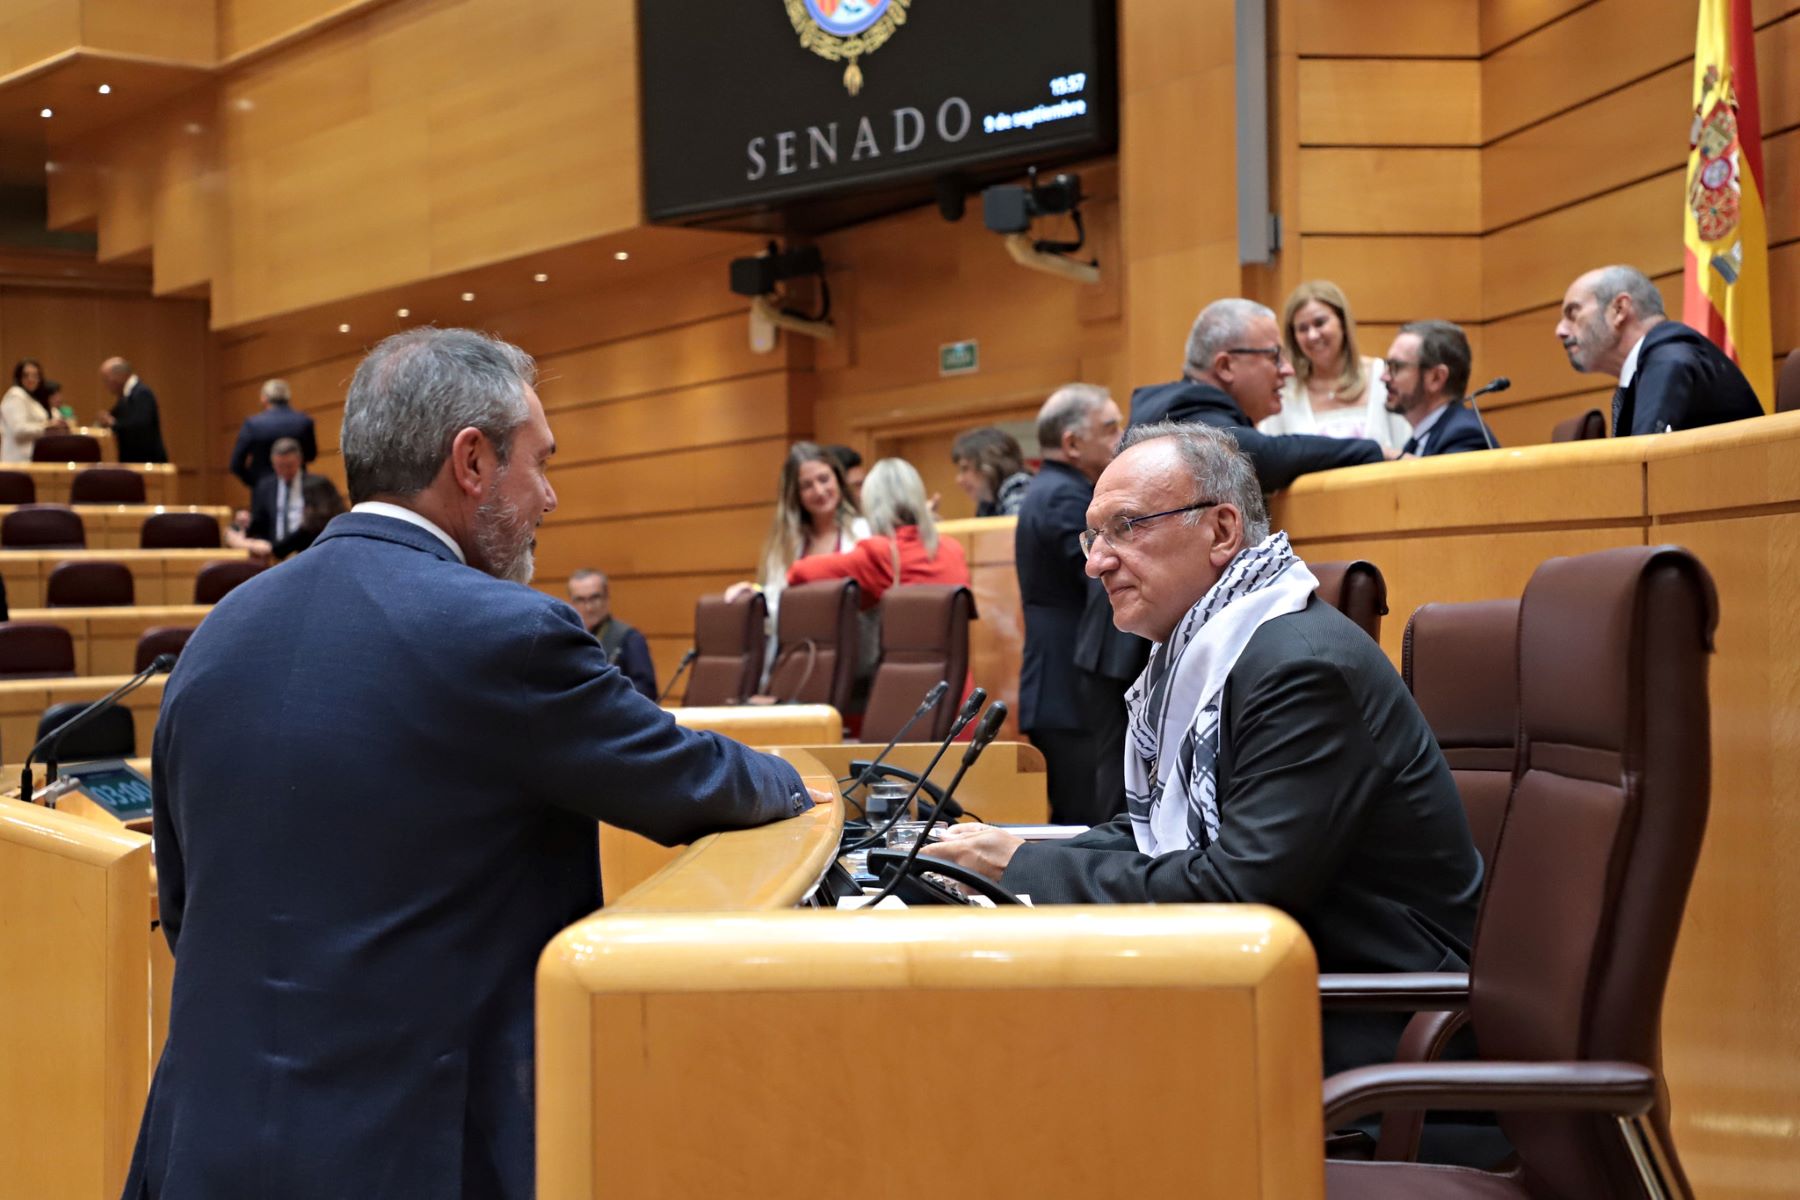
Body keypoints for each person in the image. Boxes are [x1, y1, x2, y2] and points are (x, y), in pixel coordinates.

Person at [124, 328, 819, 1200]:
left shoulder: (217, 634)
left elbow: (187, 911)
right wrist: (807, 783)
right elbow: (688, 779)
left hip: (200, 1151)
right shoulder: (505, 633)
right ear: (472, 461)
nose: (551, 496)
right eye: (540, 461)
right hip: (407, 1156)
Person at [925, 421, 1482, 1076]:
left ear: (1221, 531)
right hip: (1281, 991)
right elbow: (1159, 838)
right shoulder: (1215, 656)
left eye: (1126, 527)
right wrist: (992, 856)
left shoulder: (1298, 668)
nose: (1095, 561)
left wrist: (1020, 866)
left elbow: (1233, 890)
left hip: (1370, 1028)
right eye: (1093, 534)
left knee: (1008, 1050)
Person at [1127, 298, 1387, 492]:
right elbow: (1259, 455)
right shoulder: (1187, 409)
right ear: (1226, 366)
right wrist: (1373, 451)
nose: (1287, 370)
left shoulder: (1172, 405)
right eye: (1274, 357)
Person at [1014, 384, 1126, 826]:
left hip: (1059, 683)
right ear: (1072, 443)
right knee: (1084, 823)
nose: (1121, 437)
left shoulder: (1050, 488)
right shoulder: (1064, 497)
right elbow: (1095, 583)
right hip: (1069, 685)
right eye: (1110, 427)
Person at [1555, 264, 1763, 436]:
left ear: (1619, 310)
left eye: (1573, 313)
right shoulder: (1654, 363)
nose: (1560, 331)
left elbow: (1643, 469)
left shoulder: (1670, 360)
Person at [725, 442, 870, 670]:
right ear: (796, 494)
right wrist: (756, 594)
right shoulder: (785, 545)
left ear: (838, 480)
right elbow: (776, 609)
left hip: (853, 661)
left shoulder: (865, 532)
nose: (819, 491)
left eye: (824, 479)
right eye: (807, 486)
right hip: (799, 661)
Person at [788, 458, 970, 601]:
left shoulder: (880, 554)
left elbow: (799, 572)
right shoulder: (953, 549)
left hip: (897, 648)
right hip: (952, 648)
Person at [1258, 281, 1409, 453]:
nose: (1313, 335)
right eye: (1302, 328)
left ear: (1343, 323)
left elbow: (1407, 449)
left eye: (1320, 323)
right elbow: (1271, 457)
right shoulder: (1285, 391)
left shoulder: (1382, 376)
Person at [1382, 321, 1498, 456]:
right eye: (1387, 365)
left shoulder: (1464, 436)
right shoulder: (1415, 443)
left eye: (1396, 366)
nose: (1384, 377)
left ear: (1436, 378)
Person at [569, 568, 657, 699]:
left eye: (595, 598)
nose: (589, 607)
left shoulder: (630, 638)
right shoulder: (569, 638)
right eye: (580, 600)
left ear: (607, 597)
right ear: (571, 603)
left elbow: (647, 690)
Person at [228, 378, 319, 490]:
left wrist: (256, 483)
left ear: (264, 398)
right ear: (288, 397)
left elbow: (236, 464)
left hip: (263, 491)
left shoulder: (253, 424)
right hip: (298, 487)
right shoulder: (304, 422)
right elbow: (311, 455)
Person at [97, 355, 168, 463]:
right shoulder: (127, 395)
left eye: (107, 379)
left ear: (119, 376)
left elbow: (139, 427)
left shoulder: (141, 393)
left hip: (147, 462)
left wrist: (112, 423)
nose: (106, 385)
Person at [950, 426, 1034, 517]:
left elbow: (1015, 528)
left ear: (989, 464)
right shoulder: (987, 504)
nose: (959, 480)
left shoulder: (1018, 485)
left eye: (965, 468)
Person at [1, 358, 67, 462]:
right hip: (17, 460)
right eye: (26, 375)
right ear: (19, 377)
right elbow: (19, 430)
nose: (31, 379)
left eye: (35, 376)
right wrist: (47, 427)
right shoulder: (16, 395)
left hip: (31, 457)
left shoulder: (31, 398)